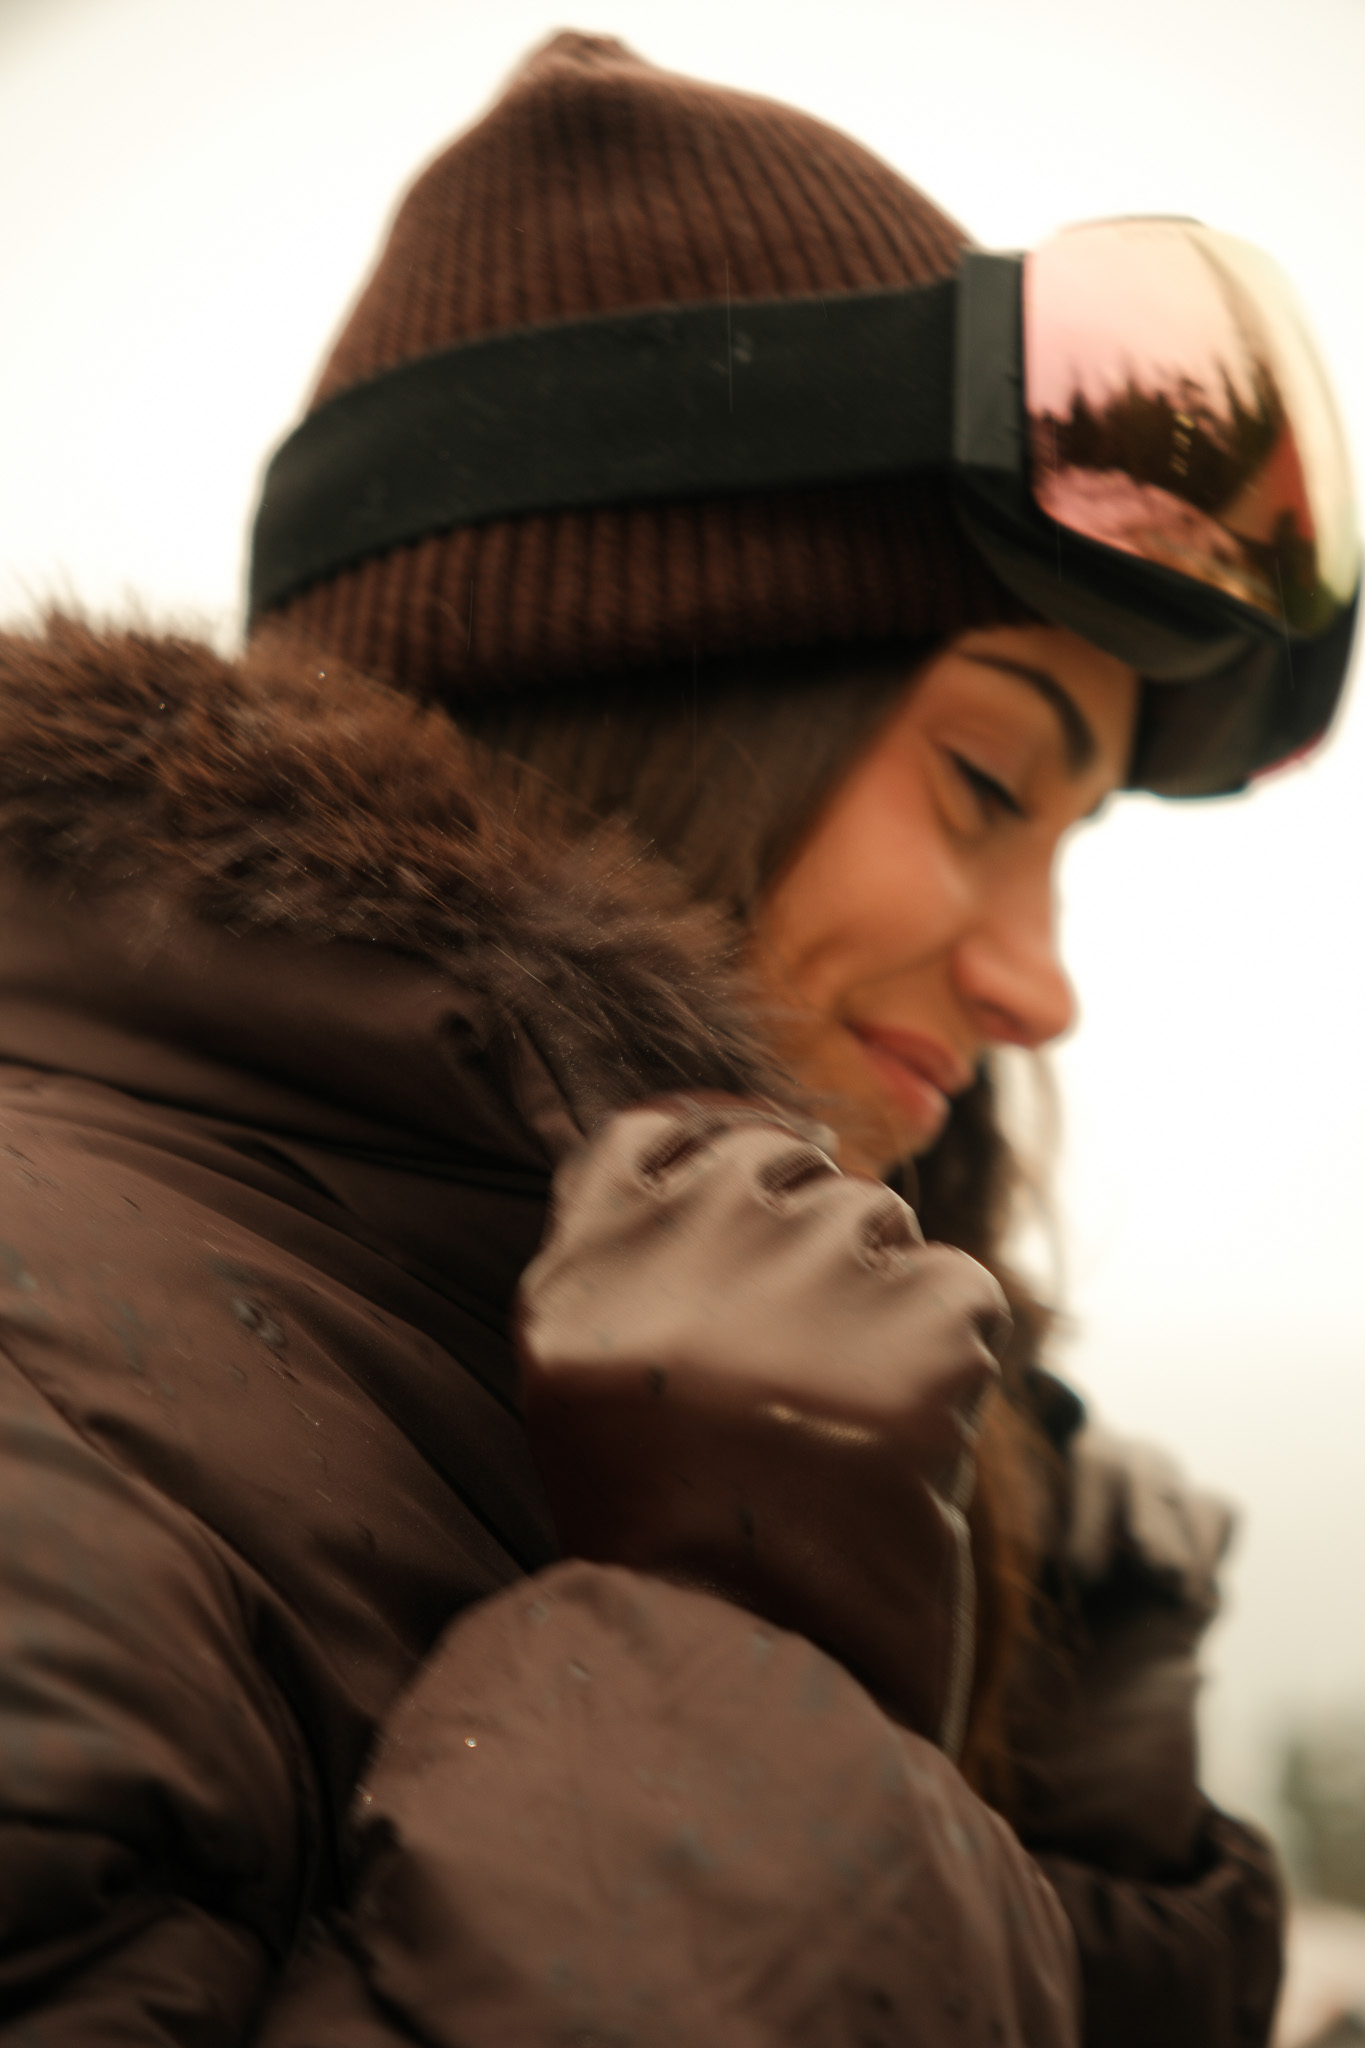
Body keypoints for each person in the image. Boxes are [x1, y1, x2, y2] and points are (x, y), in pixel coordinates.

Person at [0, 29, 1352, 2047]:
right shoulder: (46, 1391)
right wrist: (737, 1649)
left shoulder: (681, 1344)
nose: (1040, 981)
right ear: (642, 706)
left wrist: (1083, 1785)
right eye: (988, 782)